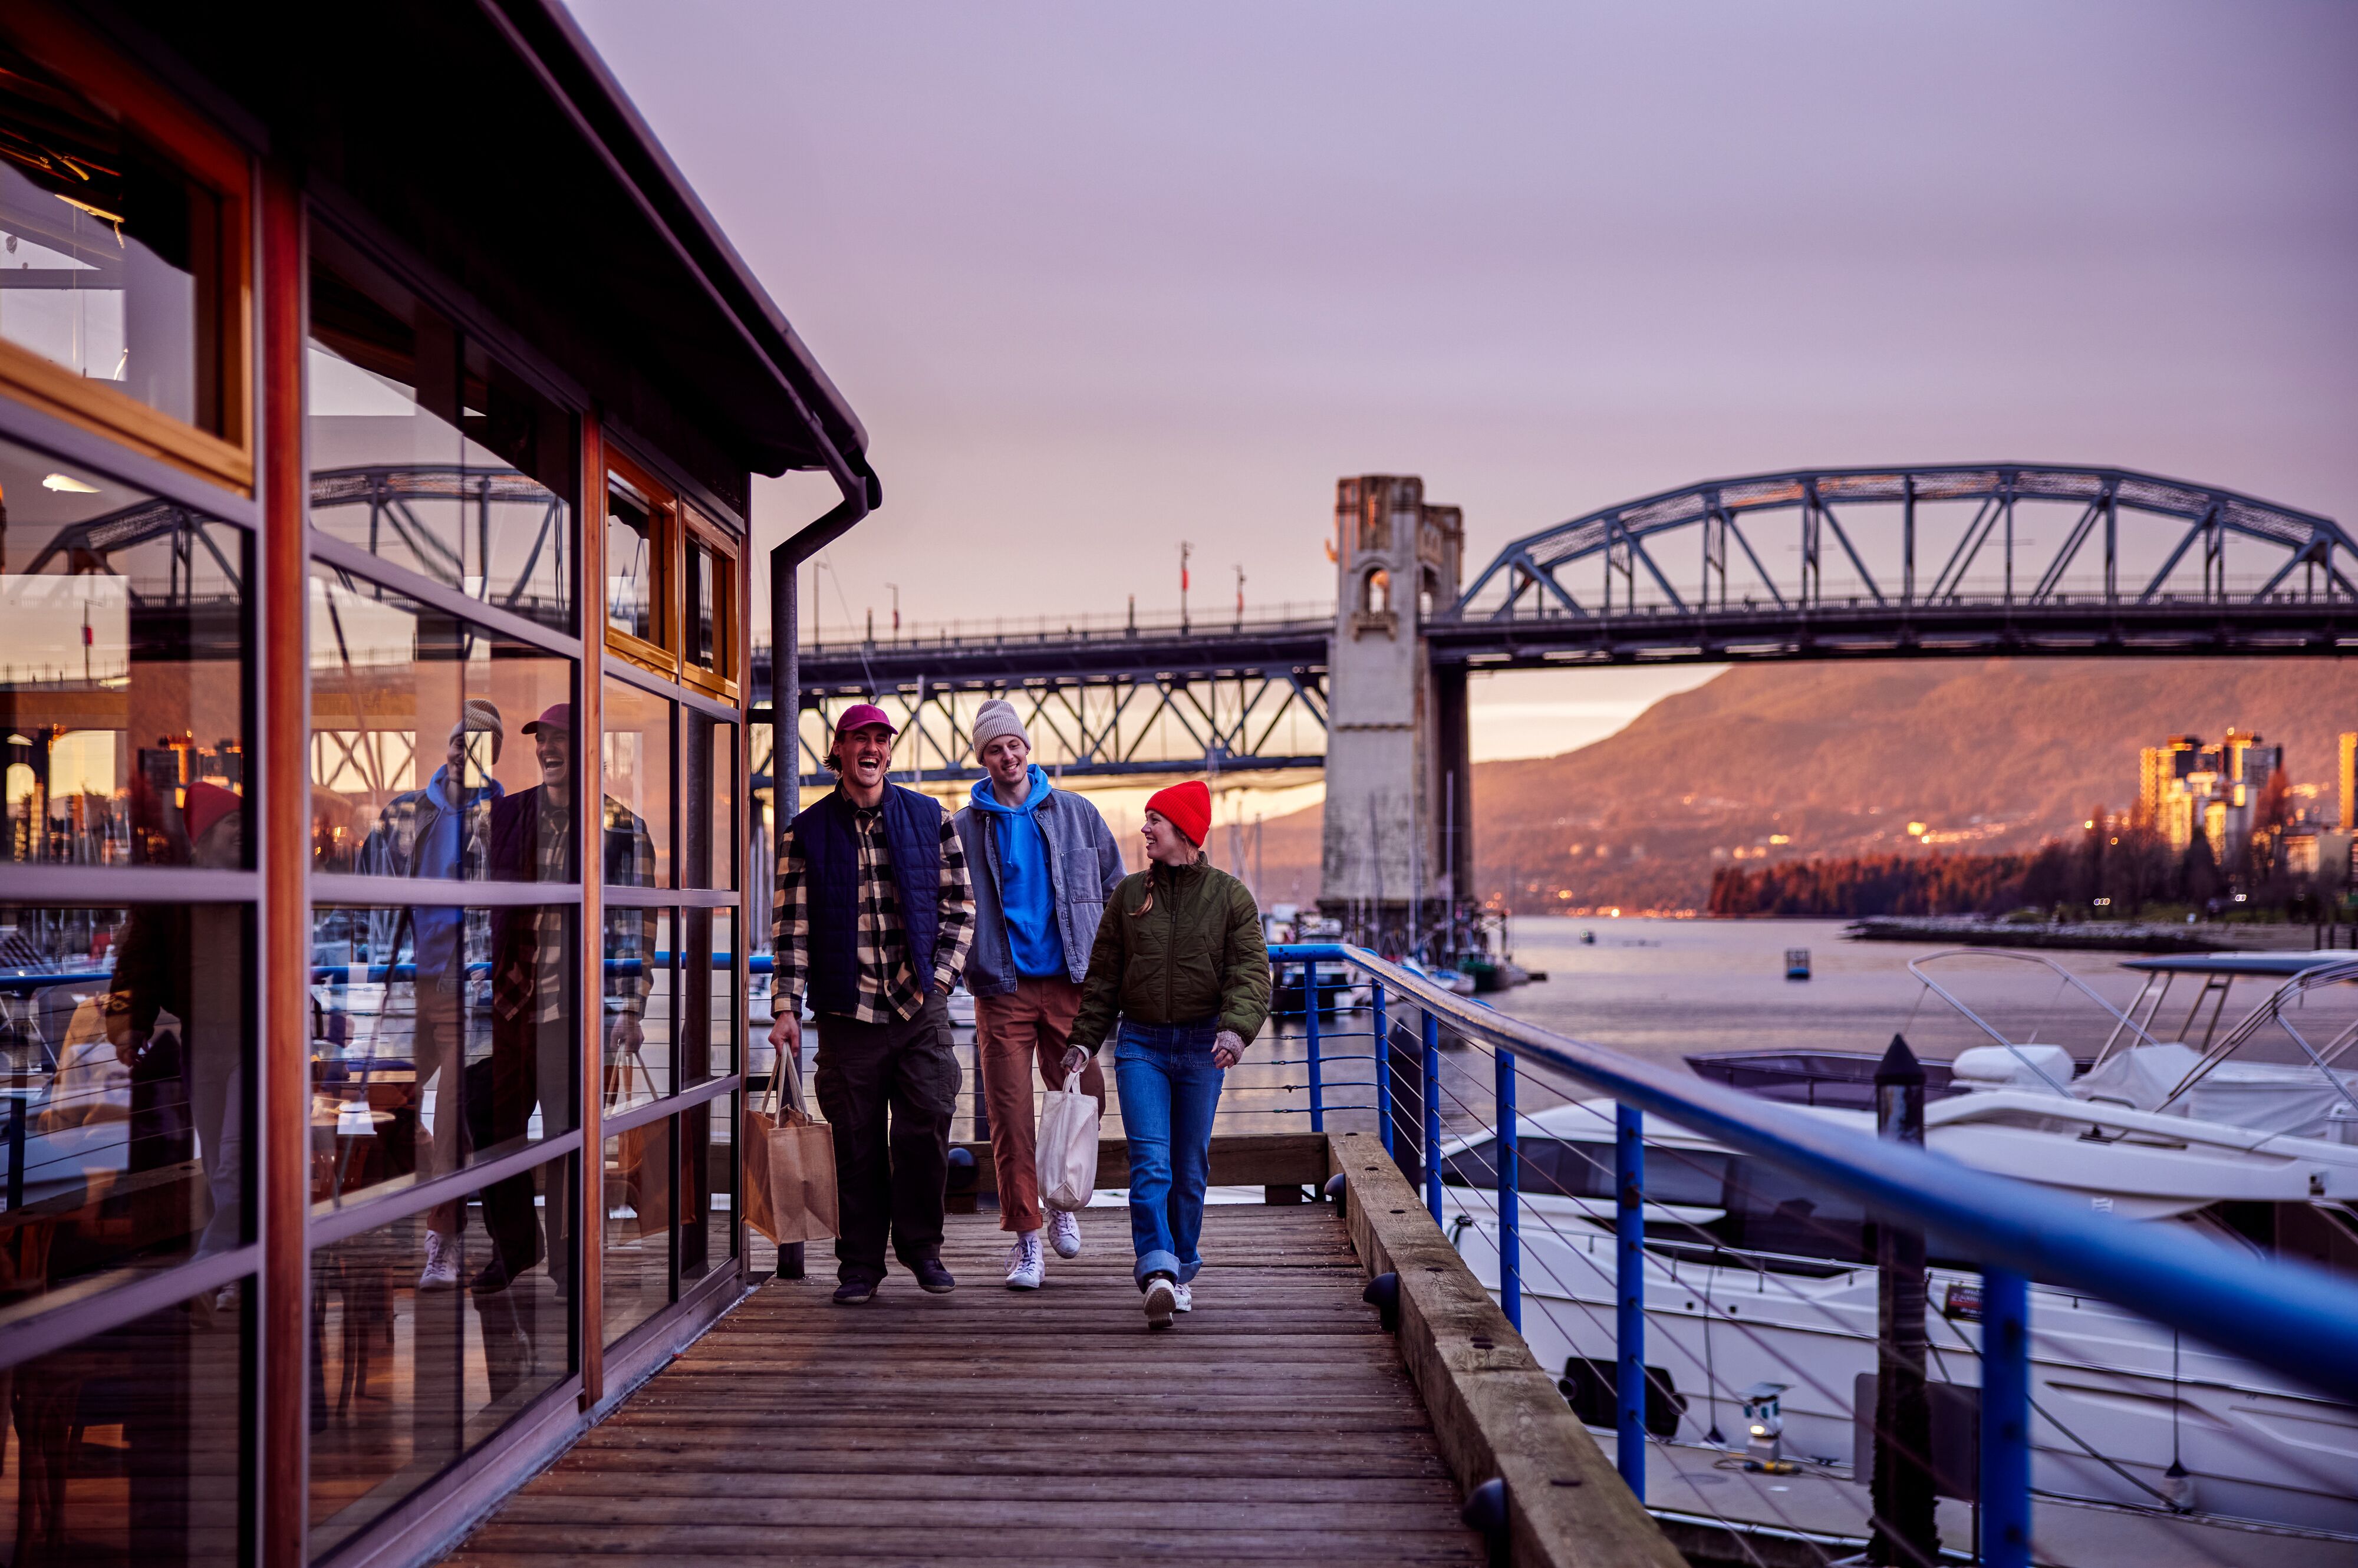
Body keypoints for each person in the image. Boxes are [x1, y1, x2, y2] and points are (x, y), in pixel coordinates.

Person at [769, 703, 974, 1305]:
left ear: (889, 751)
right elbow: (790, 929)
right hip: (845, 1013)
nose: (872, 749)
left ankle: (922, 1248)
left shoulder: (930, 816)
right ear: (838, 749)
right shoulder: (804, 830)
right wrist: (786, 1005)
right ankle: (859, 1264)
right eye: (860, 738)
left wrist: (938, 982)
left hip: (919, 1010)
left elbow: (961, 908)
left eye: (881, 740)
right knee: (854, 1144)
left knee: (926, 1130)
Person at [1067, 779, 1268, 1328]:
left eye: (1155, 819)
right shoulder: (1131, 895)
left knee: (1190, 1167)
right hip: (1142, 1045)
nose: (1145, 829)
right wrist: (1084, 1040)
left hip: (1205, 1047)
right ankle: (1156, 1271)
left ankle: (1180, 1270)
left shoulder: (1230, 896)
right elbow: (1104, 976)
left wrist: (1236, 1031)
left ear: (1184, 831)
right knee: (1150, 1162)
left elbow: (1251, 974)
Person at [475, 701, 653, 1293]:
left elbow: (635, 927)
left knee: (568, 1141)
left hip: (576, 1015)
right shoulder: (504, 815)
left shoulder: (621, 827)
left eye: (561, 741)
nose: (549, 750)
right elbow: (481, 907)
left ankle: (567, 1263)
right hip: (511, 1005)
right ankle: (515, 1247)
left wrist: (630, 1006)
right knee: (493, 1128)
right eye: (542, 740)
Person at [951, 699, 1125, 1290]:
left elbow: (1114, 889)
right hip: (1001, 986)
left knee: (1086, 1096)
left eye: (1014, 745)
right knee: (1009, 1116)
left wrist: (1116, 969)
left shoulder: (1078, 813)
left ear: (1028, 748)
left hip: (1071, 981)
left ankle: (1061, 1204)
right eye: (994, 749)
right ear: (983, 758)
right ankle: (1027, 1240)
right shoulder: (963, 827)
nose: (1008, 755)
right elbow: (947, 905)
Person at [356, 699, 505, 1289]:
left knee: (451, 1120)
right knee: (387, 1109)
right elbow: (369, 901)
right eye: (459, 739)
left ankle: (440, 1240)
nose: (463, 751)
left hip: (470, 988)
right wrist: (373, 979)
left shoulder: (507, 814)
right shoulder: (402, 815)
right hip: (412, 987)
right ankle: (422, 1203)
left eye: (479, 744)